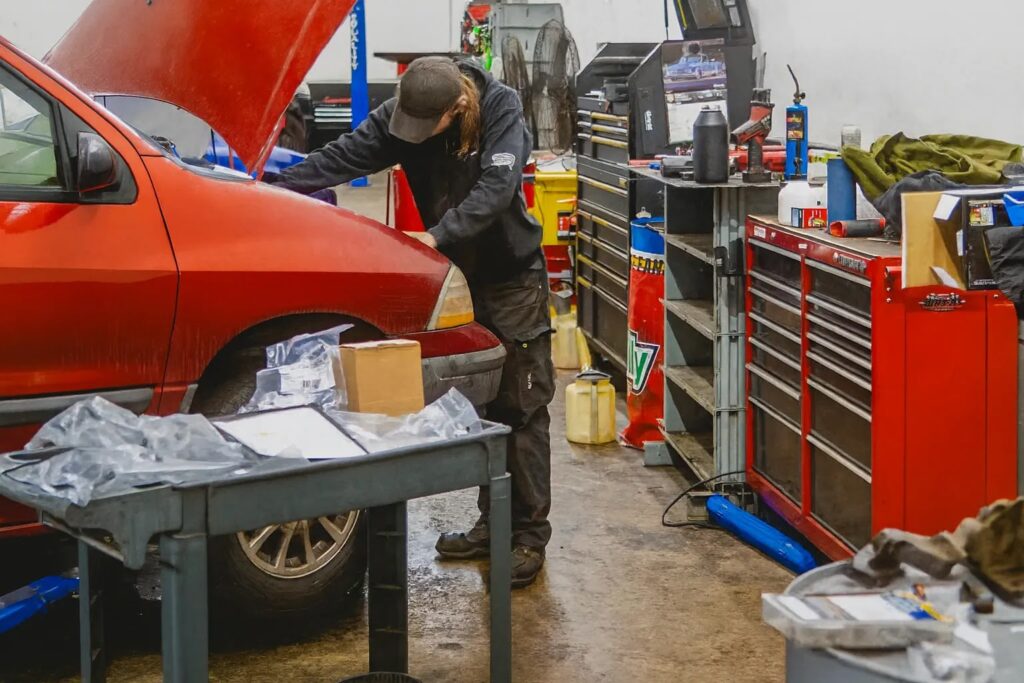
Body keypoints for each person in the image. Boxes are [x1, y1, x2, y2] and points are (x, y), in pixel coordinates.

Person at [270, 56, 554, 588]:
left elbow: (495, 193)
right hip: (460, 278)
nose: (417, 137)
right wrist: (268, 187)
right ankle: (491, 525)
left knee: (522, 404)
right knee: (484, 404)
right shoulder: (406, 114)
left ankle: (526, 537)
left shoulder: (499, 108)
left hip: (511, 278)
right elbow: (342, 157)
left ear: (457, 108)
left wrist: (435, 236)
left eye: (431, 127)